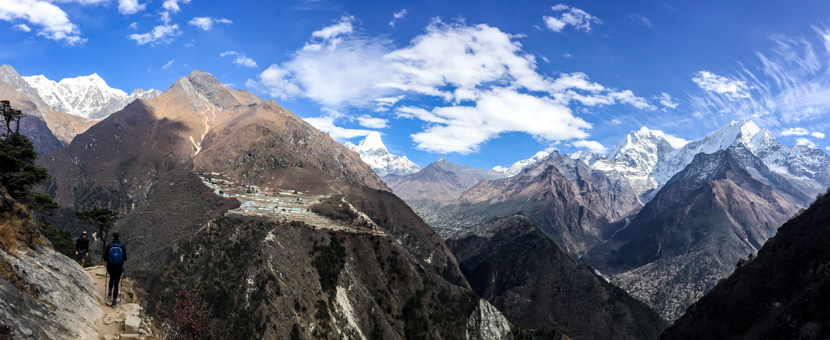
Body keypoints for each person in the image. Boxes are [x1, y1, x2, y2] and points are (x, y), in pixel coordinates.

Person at [102, 231, 127, 308]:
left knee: (111, 279)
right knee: (116, 283)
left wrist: (110, 261)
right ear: (119, 237)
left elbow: (105, 258)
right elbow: (125, 258)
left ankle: (109, 294)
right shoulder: (122, 246)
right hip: (119, 267)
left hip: (111, 267)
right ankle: (114, 302)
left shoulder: (109, 246)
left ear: (112, 237)